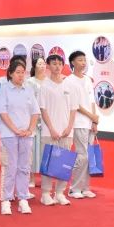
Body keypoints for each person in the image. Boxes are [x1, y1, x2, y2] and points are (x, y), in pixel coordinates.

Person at [0, 56, 38, 215]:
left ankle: (23, 198)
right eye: (18, 72)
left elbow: (35, 112)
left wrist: (30, 129)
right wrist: (15, 129)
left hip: (26, 134)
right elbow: (3, 112)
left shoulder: (29, 90)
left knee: (24, 167)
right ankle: (6, 199)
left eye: (23, 72)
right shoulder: (4, 89)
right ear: (11, 73)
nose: (21, 75)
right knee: (10, 167)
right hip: (9, 134)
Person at [38, 54, 73, 207]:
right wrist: (51, 128)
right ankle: (45, 194)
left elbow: (73, 109)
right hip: (49, 132)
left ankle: (60, 193)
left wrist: (69, 127)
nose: (57, 66)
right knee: (48, 163)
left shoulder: (68, 85)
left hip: (66, 132)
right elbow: (43, 109)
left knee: (64, 163)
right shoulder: (44, 86)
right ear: (48, 66)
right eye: (54, 63)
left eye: (60, 63)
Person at [65, 50, 99, 199]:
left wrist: (94, 120)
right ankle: (74, 188)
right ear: (72, 63)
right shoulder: (69, 81)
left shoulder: (88, 80)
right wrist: (90, 116)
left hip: (89, 123)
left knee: (89, 156)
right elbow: (75, 104)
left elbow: (92, 101)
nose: (83, 63)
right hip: (78, 122)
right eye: (80, 60)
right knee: (82, 156)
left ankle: (85, 188)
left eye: (84, 60)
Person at [26, 56, 47, 189]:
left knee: (45, 149)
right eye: (39, 63)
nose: (42, 66)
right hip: (33, 120)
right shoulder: (29, 82)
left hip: (46, 120)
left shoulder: (48, 82)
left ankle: (45, 178)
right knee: (32, 150)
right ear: (34, 66)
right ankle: (31, 178)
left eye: (44, 63)